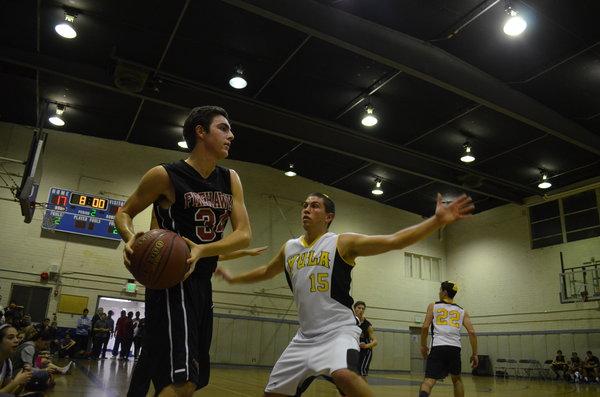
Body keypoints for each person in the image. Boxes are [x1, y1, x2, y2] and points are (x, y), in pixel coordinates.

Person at [217, 192, 474, 396]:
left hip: (338, 331)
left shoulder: (341, 242)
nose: (307, 209)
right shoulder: (290, 248)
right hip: (304, 338)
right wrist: (233, 277)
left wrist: (436, 221)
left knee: (344, 375)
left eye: (315, 206)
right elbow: (265, 271)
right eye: (305, 205)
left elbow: (394, 240)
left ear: (329, 216)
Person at [116, 105, 252, 396]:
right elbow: (124, 212)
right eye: (223, 128)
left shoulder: (230, 179)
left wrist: (204, 250)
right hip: (171, 283)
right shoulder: (165, 175)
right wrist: (129, 237)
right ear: (200, 132)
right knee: (183, 382)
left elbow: (243, 235)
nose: (232, 135)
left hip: (202, 285)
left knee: (182, 375)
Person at [418, 281, 477, 397]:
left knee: (429, 381)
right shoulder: (462, 311)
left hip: (438, 347)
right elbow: (472, 332)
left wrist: (423, 345)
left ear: (444, 292)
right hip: (455, 348)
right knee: (457, 380)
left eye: (440, 290)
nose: (439, 292)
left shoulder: (433, 306)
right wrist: (475, 353)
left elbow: (425, 327)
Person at [0, 324, 32, 394]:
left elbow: (10, 393)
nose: (16, 340)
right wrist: (16, 382)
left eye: (17, 337)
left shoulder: (7, 362)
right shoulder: (30, 347)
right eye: (11, 338)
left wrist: (21, 384)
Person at [352, 301, 377, 381]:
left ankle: (363, 392)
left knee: (361, 373)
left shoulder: (367, 325)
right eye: (359, 308)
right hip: (354, 350)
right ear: (354, 309)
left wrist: (366, 346)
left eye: (363, 308)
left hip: (365, 351)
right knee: (351, 373)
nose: (361, 310)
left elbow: (375, 341)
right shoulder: (351, 322)